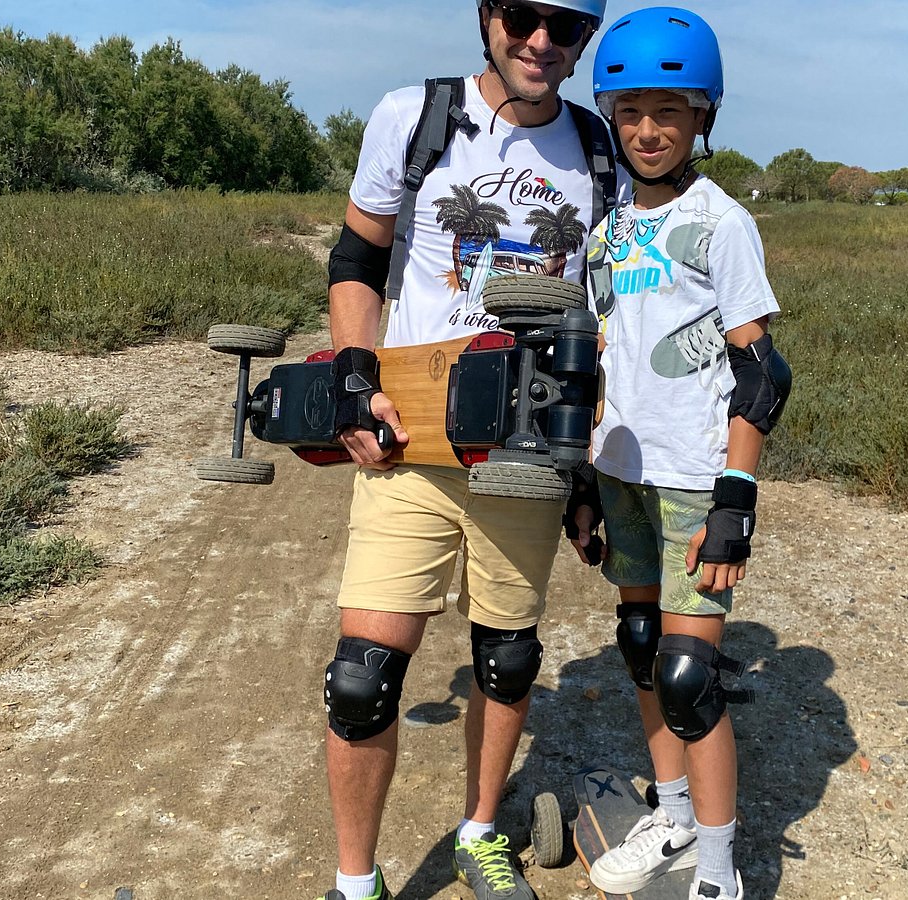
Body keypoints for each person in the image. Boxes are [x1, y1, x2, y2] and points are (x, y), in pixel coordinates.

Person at [319, 2, 620, 898]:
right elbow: (356, 259)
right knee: (363, 681)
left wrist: (587, 474)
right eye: (524, 15)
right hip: (410, 443)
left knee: (509, 656)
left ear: (584, 42)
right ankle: (353, 881)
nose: (541, 42)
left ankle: (480, 831)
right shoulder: (413, 118)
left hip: (527, 459)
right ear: (487, 14)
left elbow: (603, 319)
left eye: (566, 28)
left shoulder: (600, 154)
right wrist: (350, 376)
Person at [570, 8, 791, 900]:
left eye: (670, 109)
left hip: (698, 481)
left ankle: (716, 873)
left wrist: (737, 496)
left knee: (689, 676)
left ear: (704, 117)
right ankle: (668, 814)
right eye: (629, 111)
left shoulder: (721, 222)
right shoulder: (608, 230)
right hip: (622, 473)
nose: (648, 129)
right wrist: (584, 477)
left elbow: (762, 371)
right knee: (638, 645)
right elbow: (603, 361)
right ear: (610, 117)